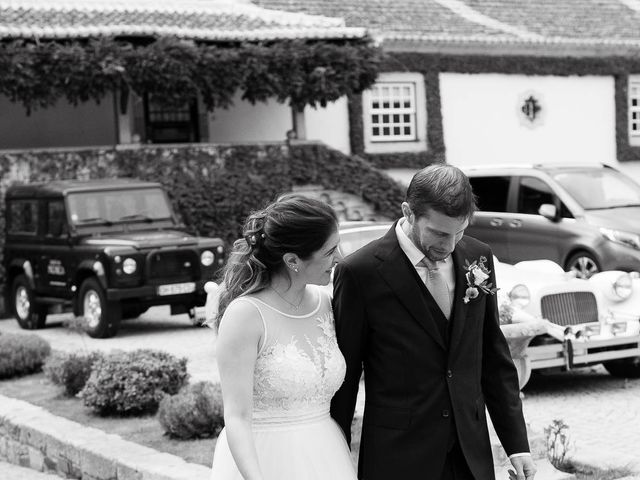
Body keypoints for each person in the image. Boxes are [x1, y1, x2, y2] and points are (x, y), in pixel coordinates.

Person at [330, 164, 537, 480]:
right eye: (439, 233)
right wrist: (336, 456)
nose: (450, 245)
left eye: (460, 232)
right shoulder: (359, 273)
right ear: (408, 213)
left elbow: (495, 359)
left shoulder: (477, 257)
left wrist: (516, 445)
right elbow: (344, 377)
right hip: (398, 457)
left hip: (471, 457)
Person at [210, 194, 356, 480]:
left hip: (327, 454)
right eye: (329, 252)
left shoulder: (326, 304)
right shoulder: (245, 315)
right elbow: (237, 417)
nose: (339, 258)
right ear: (293, 260)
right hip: (265, 460)